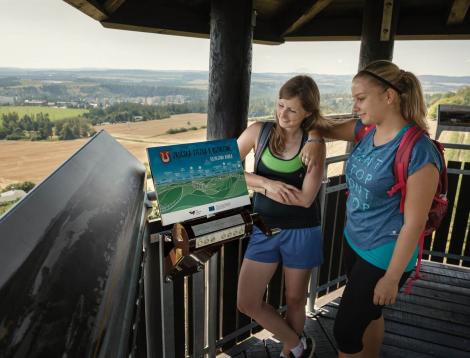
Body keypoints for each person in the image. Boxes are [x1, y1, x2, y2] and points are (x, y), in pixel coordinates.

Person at [300, 60, 442, 358]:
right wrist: (314, 138)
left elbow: (414, 224)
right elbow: (318, 124)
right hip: (356, 240)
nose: (355, 105)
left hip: (385, 252)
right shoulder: (365, 130)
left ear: (389, 96)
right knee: (371, 315)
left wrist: (391, 279)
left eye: (361, 98)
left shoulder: (418, 150)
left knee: (346, 332)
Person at [236, 75, 329, 358]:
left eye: (292, 109)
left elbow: (305, 198)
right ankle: (298, 343)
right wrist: (266, 183)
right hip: (264, 228)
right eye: (280, 105)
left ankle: (291, 353)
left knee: (295, 299)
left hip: (302, 230)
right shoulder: (258, 132)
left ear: (308, 114)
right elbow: (225, 170)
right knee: (247, 301)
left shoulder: (314, 144)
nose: (283, 114)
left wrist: (259, 184)